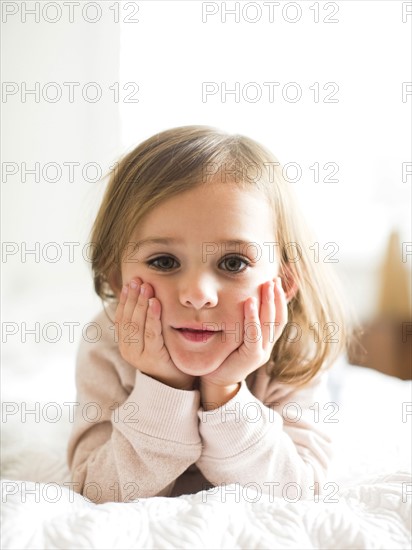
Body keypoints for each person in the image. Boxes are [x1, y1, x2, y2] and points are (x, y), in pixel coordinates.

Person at [66, 125, 348, 504]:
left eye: (233, 263)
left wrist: (225, 391)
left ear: (283, 282)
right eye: (163, 261)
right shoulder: (107, 342)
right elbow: (101, 490)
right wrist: (164, 386)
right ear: (116, 278)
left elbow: (296, 490)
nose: (198, 294)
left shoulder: (296, 348)